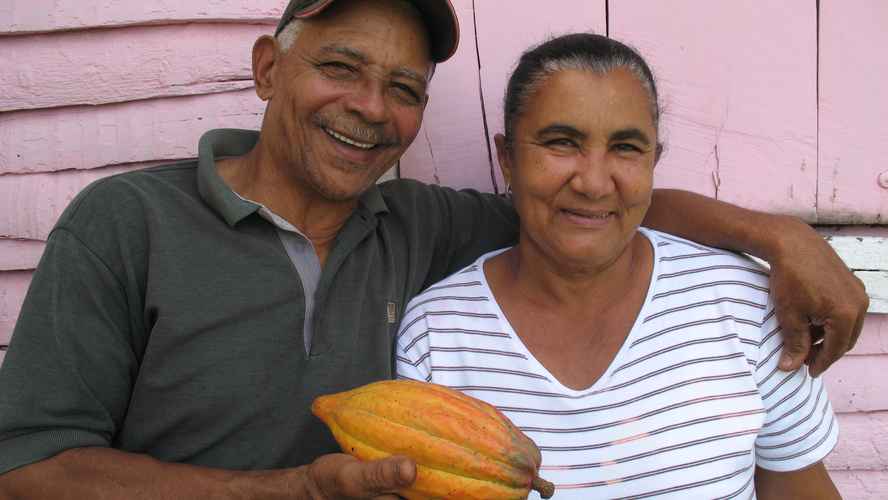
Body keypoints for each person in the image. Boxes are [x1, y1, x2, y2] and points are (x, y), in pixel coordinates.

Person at [0, 0, 865, 498]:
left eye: (404, 87)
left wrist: (779, 236)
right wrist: (281, 493)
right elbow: (29, 469)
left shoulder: (419, 224)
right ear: (269, 68)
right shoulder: (126, 223)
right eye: (341, 67)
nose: (371, 106)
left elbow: (592, 205)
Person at [396, 33, 843, 499]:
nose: (593, 182)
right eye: (562, 142)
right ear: (506, 158)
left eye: (626, 147)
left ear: (654, 161)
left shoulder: (744, 306)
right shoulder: (435, 338)